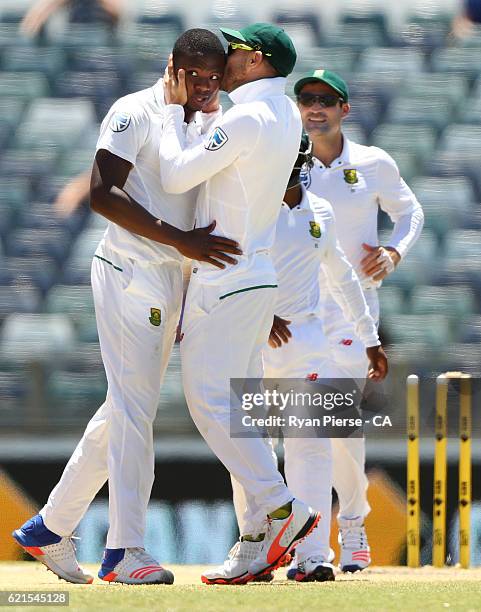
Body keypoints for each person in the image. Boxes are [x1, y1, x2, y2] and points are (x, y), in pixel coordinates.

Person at [12, 29, 242, 586]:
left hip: (170, 277)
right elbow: (100, 192)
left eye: (215, 78)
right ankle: (125, 551)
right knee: (135, 412)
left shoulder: (211, 119)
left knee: (123, 409)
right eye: (195, 77)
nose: (205, 87)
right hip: (128, 272)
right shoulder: (132, 111)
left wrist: (188, 271)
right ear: (173, 66)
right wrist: (177, 241)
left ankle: (51, 526)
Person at [159, 23, 321, 585]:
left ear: (255, 61)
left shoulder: (247, 117)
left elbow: (178, 175)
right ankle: (256, 541)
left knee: (209, 403)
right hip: (252, 276)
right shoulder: (280, 116)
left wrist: (178, 112)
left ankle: (281, 508)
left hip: (224, 278)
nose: (224, 59)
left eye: (234, 51)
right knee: (241, 413)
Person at [212, 136, 388, 584]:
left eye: (293, 158)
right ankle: (256, 545)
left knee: (311, 444)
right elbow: (222, 267)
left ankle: (311, 556)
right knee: (252, 448)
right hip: (250, 344)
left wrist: (369, 338)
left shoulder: (320, 213)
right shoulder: (246, 207)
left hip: (308, 344)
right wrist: (259, 309)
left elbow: (344, 279)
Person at [288, 69, 424, 574]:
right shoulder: (285, 161)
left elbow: (412, 214)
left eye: (326, 100)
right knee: (305, 429)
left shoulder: (372, 163)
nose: (314, 108)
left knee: (335, 423)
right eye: (306, 99)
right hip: (297, 311)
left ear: (345, 108)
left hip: (352, 313)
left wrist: (393, 251)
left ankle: (352, 524)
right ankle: (311, 543)